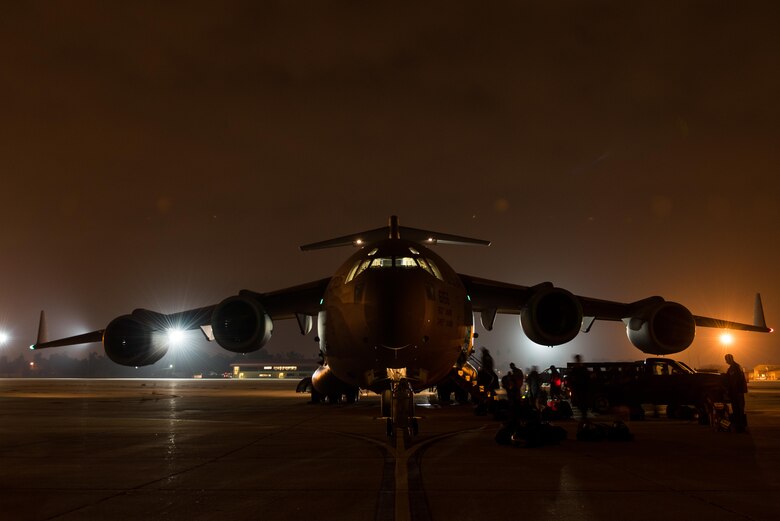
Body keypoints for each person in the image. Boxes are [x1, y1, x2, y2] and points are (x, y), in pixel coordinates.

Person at [724, 353, 748, 432]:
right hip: (737, 392)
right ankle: (740, 426)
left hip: (737, 392)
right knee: (737, 409)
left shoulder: (735, 368)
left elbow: (735, 381)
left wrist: (730, 391)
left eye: (726, 360)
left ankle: (741, 427)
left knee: (739, 409)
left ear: (730, 359)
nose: (726, 362)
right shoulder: (734, 367)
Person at [568, 354, 590, 421]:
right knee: (580, 402)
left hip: (580, 388)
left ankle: (584, 415)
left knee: (581, 402)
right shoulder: (580, 368)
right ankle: (584, 415)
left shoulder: (578, 369)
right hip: (580, 388)